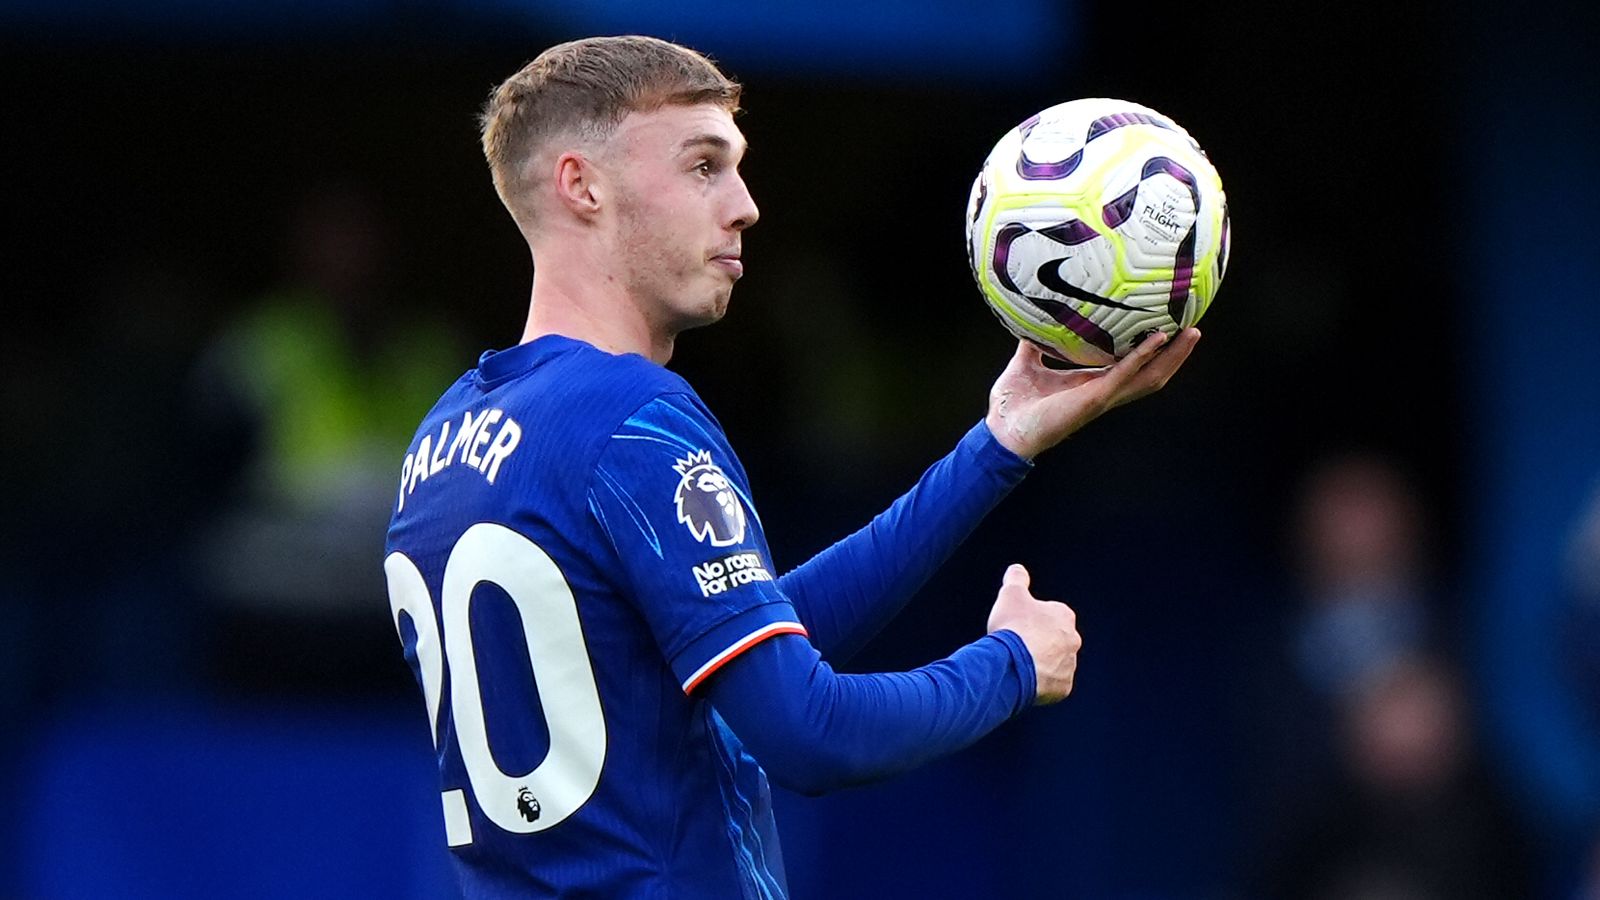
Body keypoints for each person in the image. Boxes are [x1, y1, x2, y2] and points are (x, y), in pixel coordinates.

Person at [382, 35, 1199, 898]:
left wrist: (999, 444)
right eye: (704, 167)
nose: (745, 206)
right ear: (582, 186)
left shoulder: (446, 436)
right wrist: (1010, 666)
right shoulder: (632, 422)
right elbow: (809, 731)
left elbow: (743, 639)